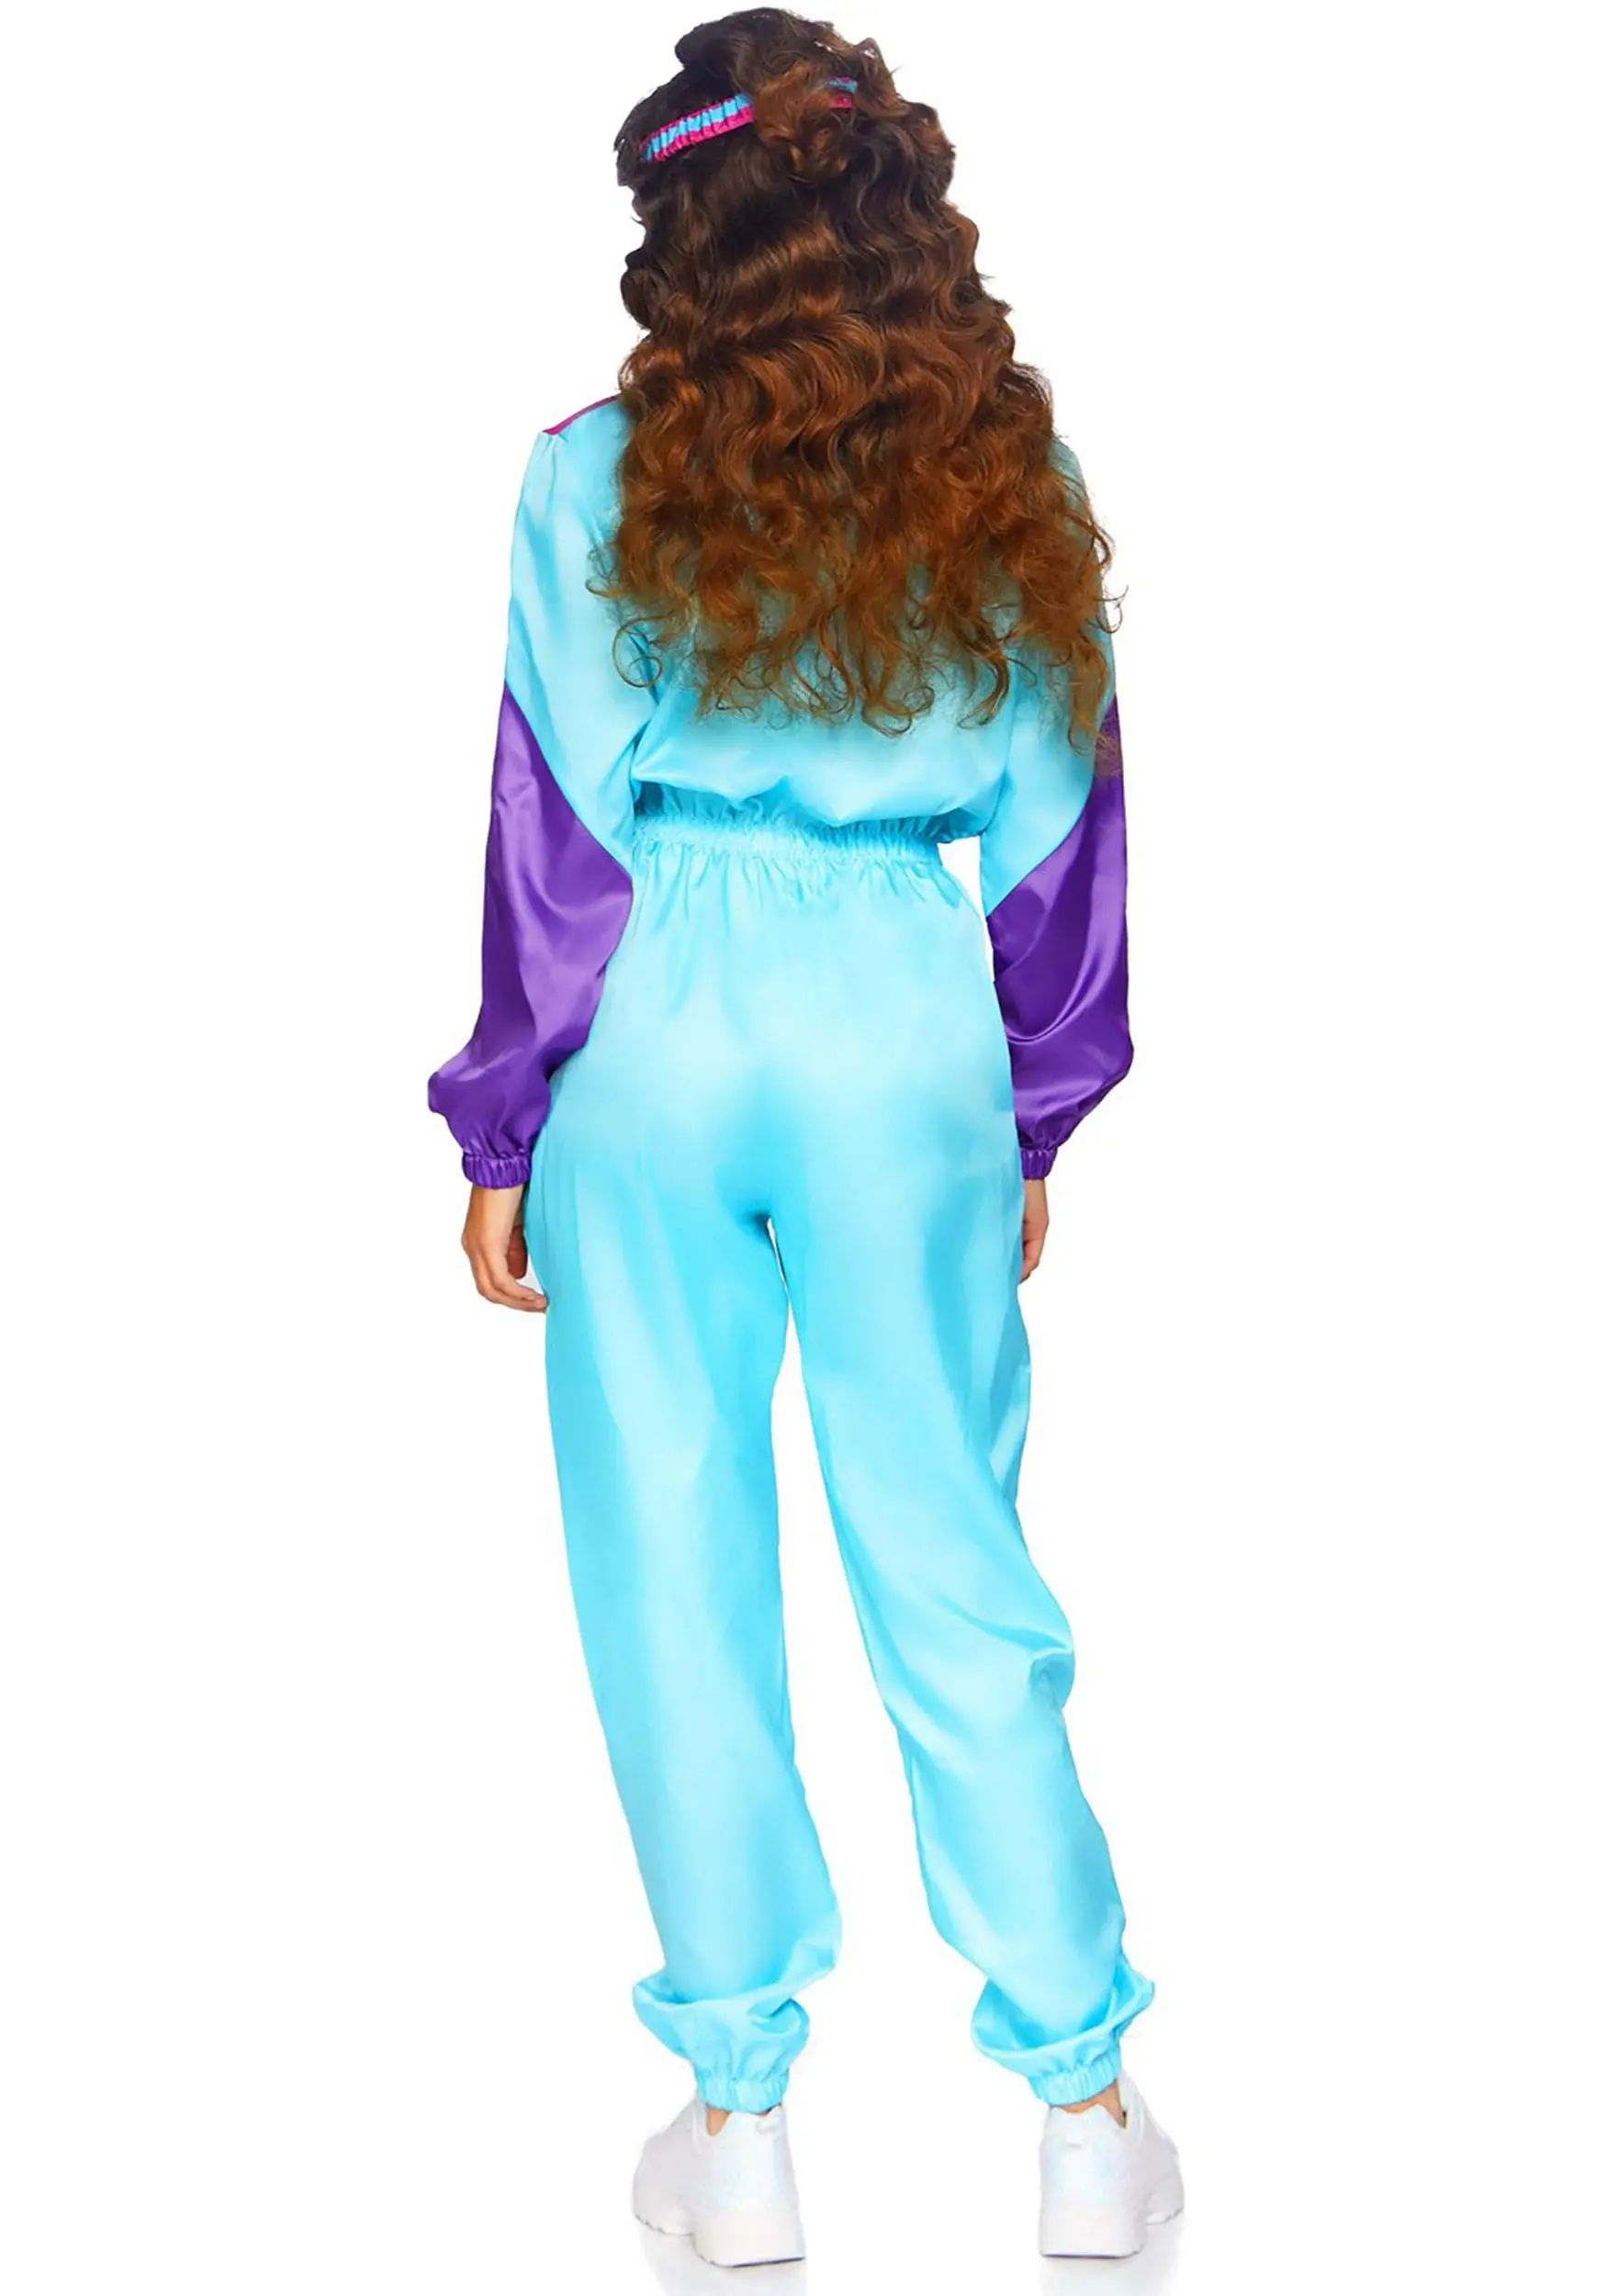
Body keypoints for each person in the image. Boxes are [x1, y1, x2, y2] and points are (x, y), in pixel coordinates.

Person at [428, 9, 1180, 2267]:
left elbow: (554, 823)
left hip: (657, 1017)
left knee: (666, 1556)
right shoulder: (1011, 468)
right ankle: (1081, 2103)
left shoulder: (590, 473)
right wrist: (1033, 1101)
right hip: (899, 1021)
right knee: (949, 1552)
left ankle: (735, 2114)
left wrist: (504, 1115)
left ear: (681, 228)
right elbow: (1060, 829)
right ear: (894, 205)